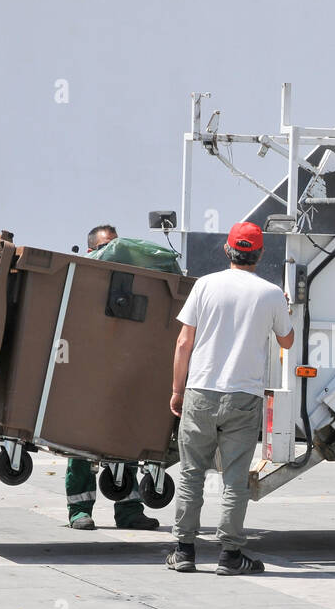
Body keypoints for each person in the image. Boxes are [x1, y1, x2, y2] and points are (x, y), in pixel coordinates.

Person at [167, 221, 294, 574]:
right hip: (243, 395)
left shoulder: (205, 285)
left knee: (191, 474)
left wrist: (178, 390)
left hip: (201, 391)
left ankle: (184, 552)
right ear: (260, 253)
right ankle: (230, 557)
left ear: (227, 250)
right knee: (234, 480)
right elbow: (287, 342)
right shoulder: (270, 294)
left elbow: (183, 343)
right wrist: (285, 309)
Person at [66, 223, 160, 532]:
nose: (115, 254)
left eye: (117, 247)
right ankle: (79, 509)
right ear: (92, 250)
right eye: (108, 247)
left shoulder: (134, 285)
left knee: (126, 439)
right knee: (81, 444)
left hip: (122, 375)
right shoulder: (79, 282)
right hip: (87, 376)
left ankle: (129, 510)